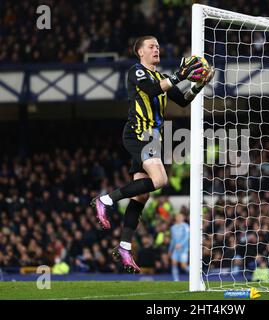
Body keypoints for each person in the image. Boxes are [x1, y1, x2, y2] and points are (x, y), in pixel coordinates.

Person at [91, 35, 214, 272]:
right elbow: (151, 89)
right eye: (151, 46)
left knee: (142, 196)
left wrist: (197, 85)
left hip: (152, 137)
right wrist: (180, 74)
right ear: (140, 52)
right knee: (160, 180)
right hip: (139, 133)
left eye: (158, 46)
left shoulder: (161, 76)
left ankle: (125, 246)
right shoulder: (137, 72)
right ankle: (104, 200)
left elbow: (182, 99)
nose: (156, 49)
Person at [169, 213, 190, 281]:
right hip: (176, 249)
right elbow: (173, 239)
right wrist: (170, 249)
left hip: (184, 249)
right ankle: (176, 280)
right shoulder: (173, 227)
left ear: (183, 218)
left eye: (180, 217)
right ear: (176, 218)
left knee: (183, 266)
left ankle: (195, 273)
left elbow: (187, 236)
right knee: (174, 263)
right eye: (178, 217)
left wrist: (181, 244)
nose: (179, 218)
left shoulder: (186, 226)